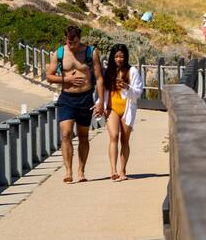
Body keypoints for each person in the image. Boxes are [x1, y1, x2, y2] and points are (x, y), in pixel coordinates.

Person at [46, 25, 102, 184]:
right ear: (66, 39)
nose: (73, 46)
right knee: (66, 134)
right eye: (70, 42)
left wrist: (101, 102)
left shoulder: (91, 52)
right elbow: (49, 76)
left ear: (80, 38)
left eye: (75, 42)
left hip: (85, 98)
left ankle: (81, 171)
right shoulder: (59, 53)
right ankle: (68, 171)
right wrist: (67, 79)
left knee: (84, 136)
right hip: (67, 99)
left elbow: (99, 78)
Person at [102, 44, 144, 182]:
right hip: (112, 108)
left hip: (127, 109)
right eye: (116, 56)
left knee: (124, 140)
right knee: (113, 136)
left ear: (125, 57)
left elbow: (138, 92)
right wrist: (100, 104)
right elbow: (101, 90)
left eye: (121, 56)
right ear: (112, 58)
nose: (119, 59)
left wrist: (127, 86)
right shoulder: (108, 72)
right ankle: (113, 170)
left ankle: (122, 170)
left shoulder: (132, 71)